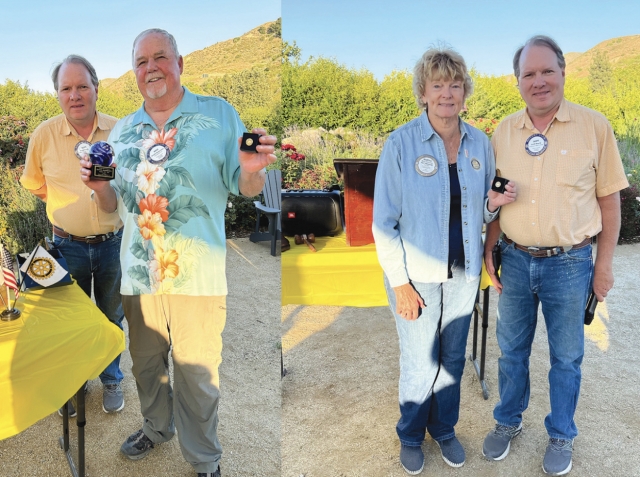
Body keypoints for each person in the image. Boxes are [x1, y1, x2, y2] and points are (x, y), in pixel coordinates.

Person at [79, 29, 276, 477]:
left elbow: (243, 186)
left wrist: (251, 172)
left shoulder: (219, 114)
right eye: (142, 61)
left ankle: (204, 457)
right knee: (147, 366)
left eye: (160, 57)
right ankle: (156, 426)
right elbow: (113, 206)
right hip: (138, 275)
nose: (152, 67)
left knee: (197, 373)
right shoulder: (122, 131)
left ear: (180, 63)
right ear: (134, 73)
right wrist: (99, 187)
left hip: (197, 275)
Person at [482, 35, 629, 476]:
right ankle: (508, 422)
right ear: (518, 81)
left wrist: (603, 266)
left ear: (563, 73)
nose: (539, 81)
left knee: (567, 356)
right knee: (510, 351)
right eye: (529, 73)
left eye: (547, 71)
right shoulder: (503, 132)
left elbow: (609, 203)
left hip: (570, 263)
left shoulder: (595, 126)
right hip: (516, 258)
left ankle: (561, 433)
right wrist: (491, 247)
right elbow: (495, 196)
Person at [372, 46, 515, 475]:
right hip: (415, 277)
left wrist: (493, 206)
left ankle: (445, 429)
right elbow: (384, 222)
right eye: (438, 85)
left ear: (465, 92)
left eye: (455, 85)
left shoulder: (479, 144)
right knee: (420, 361)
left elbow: (484, 212)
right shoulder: (400, 143)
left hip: (464, 273)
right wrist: (399, 283)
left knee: (452, 360)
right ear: (423, 92)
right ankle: (411, 435)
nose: (447, 93)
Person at [20, 55, 126, 415]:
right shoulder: (44, 135)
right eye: (66, 88)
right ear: (57, 94)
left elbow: (130, 184)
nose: (75, 94)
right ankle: (74, 385)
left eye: (82, 86)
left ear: (96, 87)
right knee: (70, 324)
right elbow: (33, 183)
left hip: (114, 244)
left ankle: (111, 379)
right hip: (67, 245)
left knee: (111, 317)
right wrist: (64, 205)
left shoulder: (120, 131)